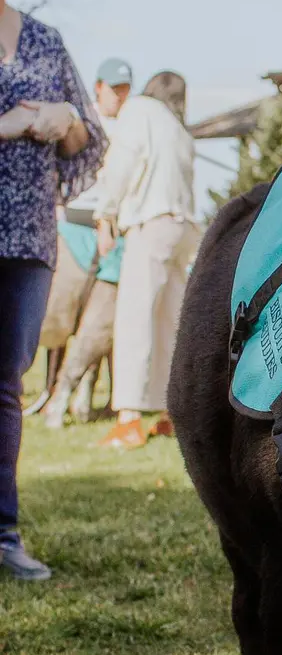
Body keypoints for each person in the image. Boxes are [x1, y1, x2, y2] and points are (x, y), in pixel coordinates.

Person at [0, 0, 106, 578]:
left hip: (27, 237)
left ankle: (3, 536)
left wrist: (65, 122)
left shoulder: (43, 38)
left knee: (5, 384)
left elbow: (91, 138)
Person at [92, 70, 199, 449]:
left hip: (151, 220)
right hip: (183, 225)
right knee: (171, 321)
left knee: (136, 318)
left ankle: (130, 420)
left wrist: (105, 213)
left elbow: (123, 162)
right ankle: (173, 413)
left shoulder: (139, 110)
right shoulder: (180, 129)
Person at [35, 57, 133, 422]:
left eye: (125, 88)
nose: (119, 95)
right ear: (98, 87)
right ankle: (52, 393)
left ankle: (77, 398)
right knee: (56, 314)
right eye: (114, 88)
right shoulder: (82, 122)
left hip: (110, 229)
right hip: (72, 222)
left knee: (101, 321)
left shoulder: (130, 126)